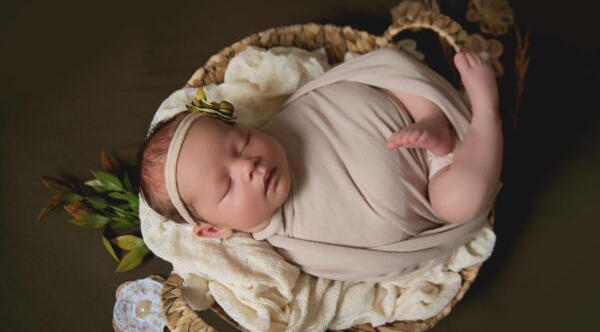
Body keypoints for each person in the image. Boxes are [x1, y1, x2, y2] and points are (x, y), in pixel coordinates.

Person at [136, 48, 502, 283]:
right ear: (214, 230)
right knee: (459, 202)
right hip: (440, 180)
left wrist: (424, 114)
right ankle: (486, 112)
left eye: (242, 142)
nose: (247, 165)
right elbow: (367, 266)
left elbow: (359, 78)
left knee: (393, 73)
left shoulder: (286, 119)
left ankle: (436, 121)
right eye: (227, 186)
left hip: (410, 108)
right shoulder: (294, 249)